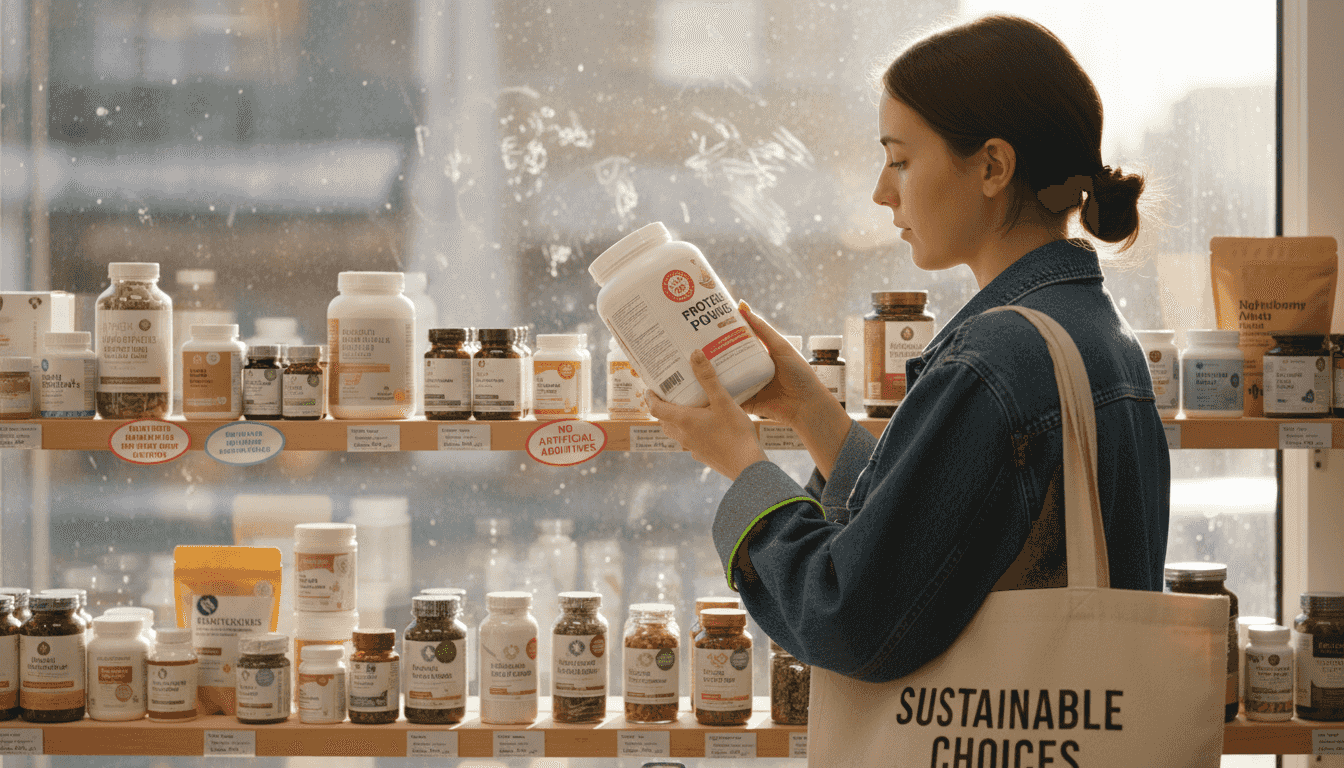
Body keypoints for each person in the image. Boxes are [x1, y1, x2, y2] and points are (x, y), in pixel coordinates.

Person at [647, 14, 1169, 684]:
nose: (881, 190)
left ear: (992, 166)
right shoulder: (1092, 330)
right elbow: (949, 524)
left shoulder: (996, 358)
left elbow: (849, 616)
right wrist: (810, 409)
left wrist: (743, 464)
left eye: (900, 159)